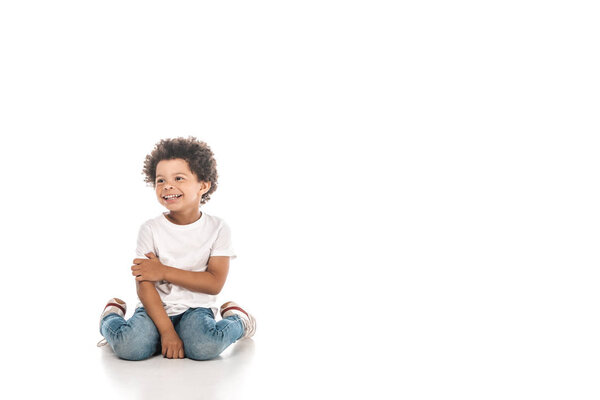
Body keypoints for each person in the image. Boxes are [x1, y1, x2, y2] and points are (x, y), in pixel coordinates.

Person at [97, 137, 256, 361]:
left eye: (178, 178)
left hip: (196, 308)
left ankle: (238, 320)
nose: (167, 186)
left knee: (205, 347)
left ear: (203, 185)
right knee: (129, 348)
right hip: (155, 309)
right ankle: (111, 315)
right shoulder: (150, 229)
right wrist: (167, 332)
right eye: (160, 180)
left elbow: (214, 284)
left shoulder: (218, 228)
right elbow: (145, 285)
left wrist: (163, 272)